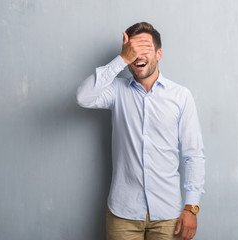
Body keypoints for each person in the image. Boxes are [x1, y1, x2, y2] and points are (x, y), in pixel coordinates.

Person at [76, 22, 205, 240]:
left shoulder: (181, 96)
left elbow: (193, 154)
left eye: (144, 49)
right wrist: (121, 59)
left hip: (168, 215)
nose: (138, 56)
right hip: (123, 214)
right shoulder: (116, 91)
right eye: (133, 51)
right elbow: (82, 97)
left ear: (159, 53)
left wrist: (191, 207)